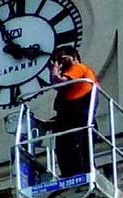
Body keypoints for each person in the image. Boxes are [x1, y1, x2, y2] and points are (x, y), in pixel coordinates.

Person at [46, 45, 98, 179]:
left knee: (80, 152)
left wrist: (54, 70)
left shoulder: (78, 67)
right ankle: (70, 176)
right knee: (65, 150)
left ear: (73, 57)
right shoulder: (69, 90)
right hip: (74, 120)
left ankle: (81, 176)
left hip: (80, 119)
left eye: (62, 58)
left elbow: (60, 83)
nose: (60, 63)